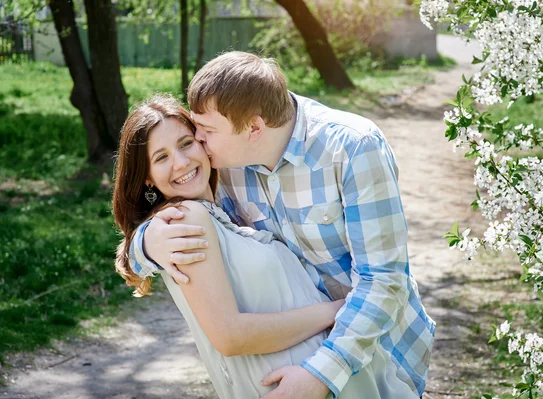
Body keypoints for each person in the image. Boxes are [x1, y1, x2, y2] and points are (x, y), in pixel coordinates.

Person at [130, 52, 435, 399]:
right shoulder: (225, 158)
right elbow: (194, 222)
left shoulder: (352, 149)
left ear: (254, 128)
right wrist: (146, 242)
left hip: (379, 351)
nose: (197, 141)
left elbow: (384, 281)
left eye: (206, 130)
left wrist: (319, 376)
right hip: (293, 355)